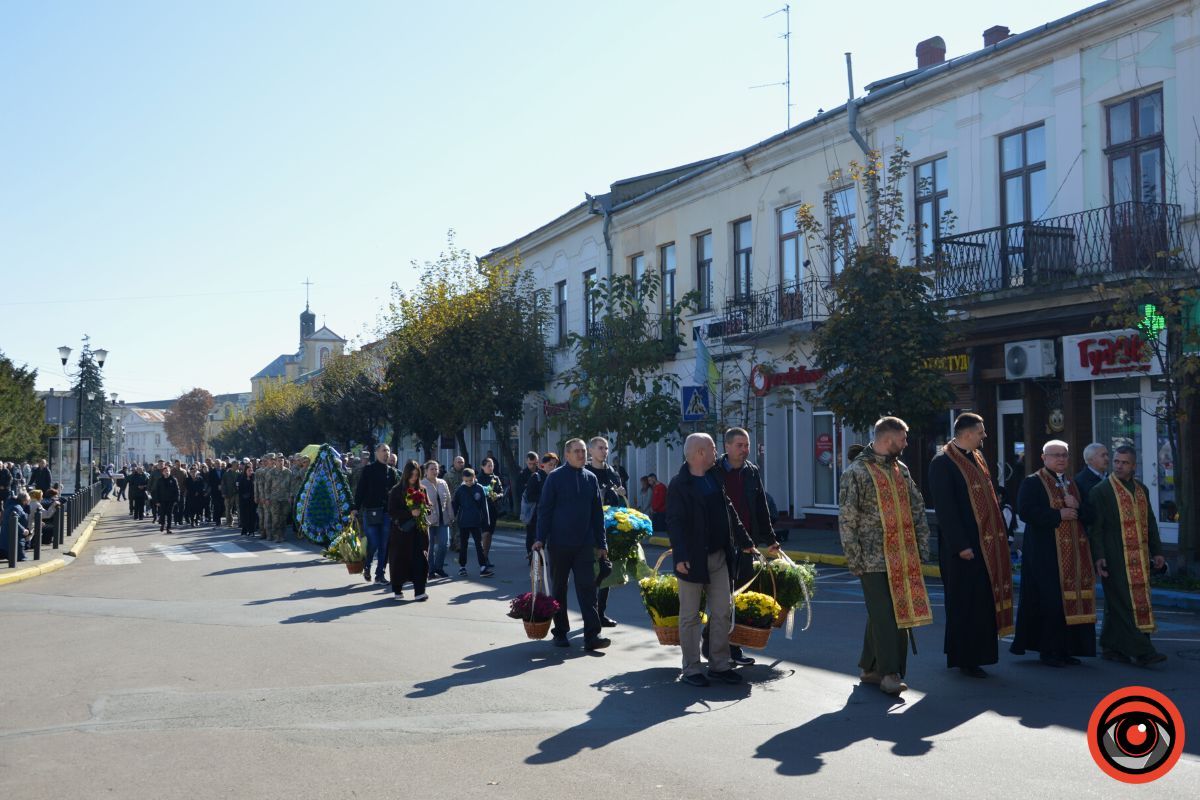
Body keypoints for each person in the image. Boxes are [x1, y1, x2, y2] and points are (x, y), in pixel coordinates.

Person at [839, 416, 932, 696]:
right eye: (903, 439)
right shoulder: (856, 472)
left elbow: (917, 507)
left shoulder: (900, 469)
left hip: (902, 554)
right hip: (872, 558)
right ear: (888, 439)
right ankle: (890, 674)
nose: (906, 443)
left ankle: (870, 669)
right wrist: (853, 558)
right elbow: (848, 519)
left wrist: (922, 546)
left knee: (887, 612)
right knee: (887, 615)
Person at [927, 413, 1015, 679]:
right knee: (965, 603)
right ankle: (966, 658)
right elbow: (945, 509)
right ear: (966, 434)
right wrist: (961, 545)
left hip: (986, 545)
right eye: (980, 432)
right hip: (963, 548)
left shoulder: (977, 456)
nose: (984, 436)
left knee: (982, 602)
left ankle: (981, 654)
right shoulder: (942, 462)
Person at [667, 433, 759, 686]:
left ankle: (719, 664)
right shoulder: (680, 484)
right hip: (692, 559)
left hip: (719, 556)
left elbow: (729, 511)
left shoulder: (714, 477)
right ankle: (692, 669)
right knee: (690, 616)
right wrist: (680, 556)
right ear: (699, 453)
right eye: (712, 448)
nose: (716, 452)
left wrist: (746, 542)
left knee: (722, 610)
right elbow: (674, 522)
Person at [1010, 440, 1097, 668]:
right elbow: (1026, 512)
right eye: (1056, 455)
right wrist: (1058, 515)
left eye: (1064, 455)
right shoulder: (1032, 482)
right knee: (1051, 602)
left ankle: (1067, 649)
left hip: (1074, 557)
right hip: (1045, 555)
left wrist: (1076, 506)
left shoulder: (1073, 483)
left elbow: (1091, 514)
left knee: (1069, 602)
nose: (1061, 459)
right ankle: (1049, 651)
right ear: (1044, 457)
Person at [706, 427, 781, 667]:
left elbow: (761, 507)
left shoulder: (751, 471)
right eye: (739, 445)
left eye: (747, 445)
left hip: (747, 545)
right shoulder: (714, 471)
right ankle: (711, 644)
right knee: (723, 599)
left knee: (740, 598)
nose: (744, 450)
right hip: (721, 545)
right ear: (727, 446)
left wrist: (770, 539)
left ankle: (734, 647)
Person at [1087, 445, 1167, 667]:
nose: (1119, 466)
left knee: (1121, 602)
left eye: (1124, 463)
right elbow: (1096, 528)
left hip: (1140, 556)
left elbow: (1150, 522)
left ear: (1133, 466)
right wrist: (1099, 556)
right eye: (1116, 461)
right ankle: (1143, 651)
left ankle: (1111, 646)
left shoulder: (1141, 489)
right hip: (1114, 555)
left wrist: (1157, 551)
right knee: (1125, 602)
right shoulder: (1101, 491)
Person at [533, 438, 609, 651]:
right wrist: (540, 538)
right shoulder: (555, 477)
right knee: (559, 588)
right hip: (559, 543)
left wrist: (602, 543)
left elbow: (597, 514)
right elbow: (545, 510)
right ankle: (560, 632)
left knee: (588, 590)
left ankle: (592, 636)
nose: (582, 455)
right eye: (577, 451)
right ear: (566, 454)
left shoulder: (590, 478)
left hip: (584, 544)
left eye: (583, 451)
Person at [583, 436, 625, 627]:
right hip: (589, 530)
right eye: (600, 448)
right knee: (591, 574)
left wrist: (620, 494)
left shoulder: (612, 472)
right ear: (591, 451)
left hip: (610, 529)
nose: (604, 451)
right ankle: (590, 615)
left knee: (606, 571)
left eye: (606, 448)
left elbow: (619, 502)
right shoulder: (585, 472)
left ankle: (600, 613)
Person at [352, 444, 397, 586]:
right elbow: (360, 490)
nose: (386, 453)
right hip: (371, 511)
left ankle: (380, 575)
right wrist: (355, 507)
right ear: (376, 453)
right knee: (374, 542)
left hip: (386, 513)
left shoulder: (392, 472)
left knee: (384, 544)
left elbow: (396, 493)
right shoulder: (369, 470)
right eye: (383, 450)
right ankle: (367, 565)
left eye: (388, 450)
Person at [388, 460, 430, 601]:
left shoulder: (422, 489)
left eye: (416, 475)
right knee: (399, 561)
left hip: (418, 532)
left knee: (420, 560)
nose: (414, 477)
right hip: (401, 533)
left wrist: (424, 510)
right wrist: (410, 513)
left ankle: (419, 591)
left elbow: (428, 506)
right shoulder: (396, 490)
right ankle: (397, 589)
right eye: (411, 474)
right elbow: (392, 511)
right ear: (406, 474)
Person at [452, 468, 490, 577]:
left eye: (470, 480)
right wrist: (451, 518)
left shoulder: (479, 488)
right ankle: (462, 567)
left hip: (476, 521)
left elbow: (484, 506)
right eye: (466, 481)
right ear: (463, 479)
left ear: (474, 478)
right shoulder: (460, 490)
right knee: (463, 545)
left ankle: (483, 567)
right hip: (463, 521)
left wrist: (486, 521)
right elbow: (455, 505)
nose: (469, 483)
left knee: (479, 545)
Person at [422, 460, 453, 579]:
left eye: (436, 469)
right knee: (429, 547)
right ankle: (430, 570)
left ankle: (439, 567)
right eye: (432, 469)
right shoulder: (422, 484)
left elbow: (448, 500)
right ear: (426, 471)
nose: (435, 471)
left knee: (444, 544)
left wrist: (451, 516)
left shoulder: (443, 483)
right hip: (428, 520)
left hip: (443, 519)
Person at [523, 452, 558, 556]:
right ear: (543, 465)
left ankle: (542, 557)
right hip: (535, 513)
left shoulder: (556, 478)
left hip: (551, 513)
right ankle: (532, 557)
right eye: (550, 465)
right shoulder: (536, 477)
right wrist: (544, 498)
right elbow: (529, 496)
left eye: (555, 465)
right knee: (534, 536)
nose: (553, 467)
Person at [477, 457, 504, 569]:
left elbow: (501, 492)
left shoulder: (496, 478)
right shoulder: (478, 479)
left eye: (492, 465)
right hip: (481, 510)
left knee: (489, 534)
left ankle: (485, 556)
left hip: (492, 509)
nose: (491, 467)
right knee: (485, 532)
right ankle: (482, 557)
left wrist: (497, 496)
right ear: (482, 467)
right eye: (488, 465)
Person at [444, 456, 467, 553]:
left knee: (460, 523)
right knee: (454, 523)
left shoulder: (467, 473)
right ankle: (454, 542)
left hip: (464, 502)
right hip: (452, 502)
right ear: (454, 463)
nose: (461, 464)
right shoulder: (448, 475)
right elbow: (444, 488)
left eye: (462, 462)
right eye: (459, 462)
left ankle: (458, 543)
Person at [152, 466, 181, 534]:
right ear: (163, 472)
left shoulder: (173, 479)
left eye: (167, 471)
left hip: (171, 500)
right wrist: (157, 501)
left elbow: (177, 490)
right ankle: (162, 524)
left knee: (169, 514)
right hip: (162, 500)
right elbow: (157, 491)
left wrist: (176, 500)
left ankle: (168, 528)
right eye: (165, 471)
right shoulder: (160, 480)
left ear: (170, 471)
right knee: (162, 513)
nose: (166, 472)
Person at [236, 461, 258, 536]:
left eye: (251, 470)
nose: (250, 472)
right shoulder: (242, 478)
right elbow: (239, 489)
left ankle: (252, 531)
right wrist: (244, 495)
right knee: (245, 516)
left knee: (252, 515)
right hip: (244, 501)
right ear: (245, 471)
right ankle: (245, 529)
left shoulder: (254, 478)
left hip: (252, 500)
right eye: (249, 470)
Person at [516, 451, 539, 523]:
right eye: (530, 464)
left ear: (537, 462)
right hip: (528, 505)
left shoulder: (541, 473)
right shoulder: (522, 474)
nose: (532, 466)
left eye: (534, 464)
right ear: (526, 462)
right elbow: (520, 491)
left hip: (539, 505)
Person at [221, 460, 240, 528]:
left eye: (238, 465)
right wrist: (224, 493)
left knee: (238, 507)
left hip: (237, 493)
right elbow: (223, 484)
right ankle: (229, 522)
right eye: (237, 465)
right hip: (228, 493)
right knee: (228, 508)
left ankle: (240, 522)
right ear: (233, 465)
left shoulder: (239, 473)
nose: (238, 466)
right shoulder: (226, 474)